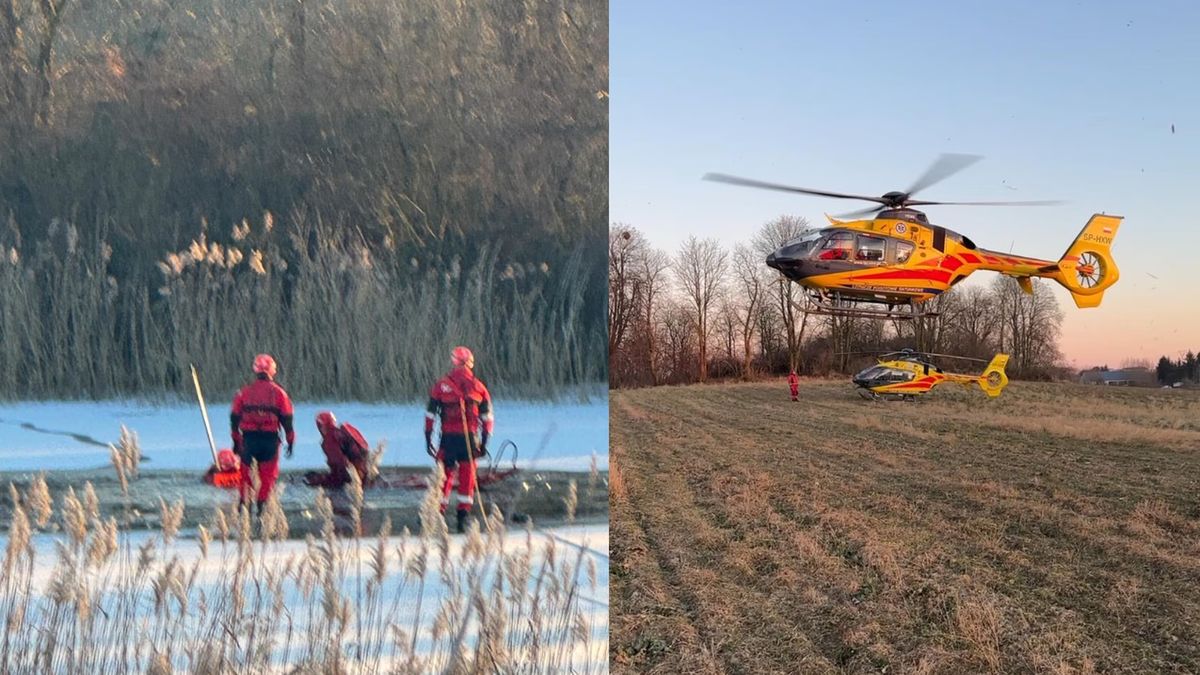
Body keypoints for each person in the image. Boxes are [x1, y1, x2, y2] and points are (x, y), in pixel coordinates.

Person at [425, 346, 494, 533]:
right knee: (467, 478)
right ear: (470, 362)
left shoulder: (441, 385)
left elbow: (430, 415)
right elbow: (487, 419)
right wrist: (484, 441)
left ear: (454, 361)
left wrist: (428, 437)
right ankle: (462, 519)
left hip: (448, 439)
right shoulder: (479, 387)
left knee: (444, 477)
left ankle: (437, 514)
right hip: (469, 440)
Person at [230, 353, 295, 513]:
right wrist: (290, 441)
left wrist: (236, 440)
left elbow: (234, 418)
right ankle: (262, 512)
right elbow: (287, 420)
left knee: (245, 477)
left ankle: (244, 511)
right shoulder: (280, 393)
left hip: (249, 440)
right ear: (272, 370)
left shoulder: (244, 392)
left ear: (256, 370)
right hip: (270, 441)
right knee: (267, 478)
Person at [306, 411, 370, 488]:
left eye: (319, 426)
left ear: (321, 426)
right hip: (363, 471)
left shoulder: (329, 441)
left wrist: (321, 480)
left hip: (351, 480)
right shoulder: (345, 430)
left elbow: (341, 470)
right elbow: (365, 449)